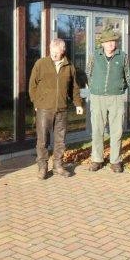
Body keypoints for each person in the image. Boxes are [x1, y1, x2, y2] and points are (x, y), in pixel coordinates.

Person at [28, 38, 84, 179]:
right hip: (44, 109)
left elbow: (74, 87)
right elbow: (32, 86)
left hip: (62, 109)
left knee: (60, 140)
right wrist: (36, 103)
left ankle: (58, 165)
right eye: (52, 51)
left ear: (63, 51)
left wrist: (78, 104)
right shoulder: (41, 64)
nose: (54, 54)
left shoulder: (69, 66)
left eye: (56, 52)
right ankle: (42, 167)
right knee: (42, 140)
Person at [86, 29, 130, 173]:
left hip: (116, 97)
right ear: (103, 43)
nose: (111, 44)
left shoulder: (122, 56)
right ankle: (97, 159)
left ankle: (115, 161)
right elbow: (88, 73)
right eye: (108, 41)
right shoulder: (94, 56)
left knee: (117, 130)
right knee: (97, 130)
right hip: (97, 97)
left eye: (114, 41)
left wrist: (122, 89)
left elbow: (127, 75)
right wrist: (93, 87)